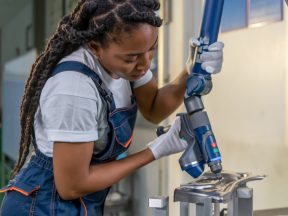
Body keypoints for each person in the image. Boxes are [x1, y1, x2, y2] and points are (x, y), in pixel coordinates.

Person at [0, 0, 224, 215]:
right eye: (132, 58)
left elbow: (154, 107)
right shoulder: (74, 87)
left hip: (80, 202)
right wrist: (154, 151)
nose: (145, 65)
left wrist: (191, 69)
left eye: (152, 49)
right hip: (41, 206)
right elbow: (72, 186)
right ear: (96, 48)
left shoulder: (128, 59)